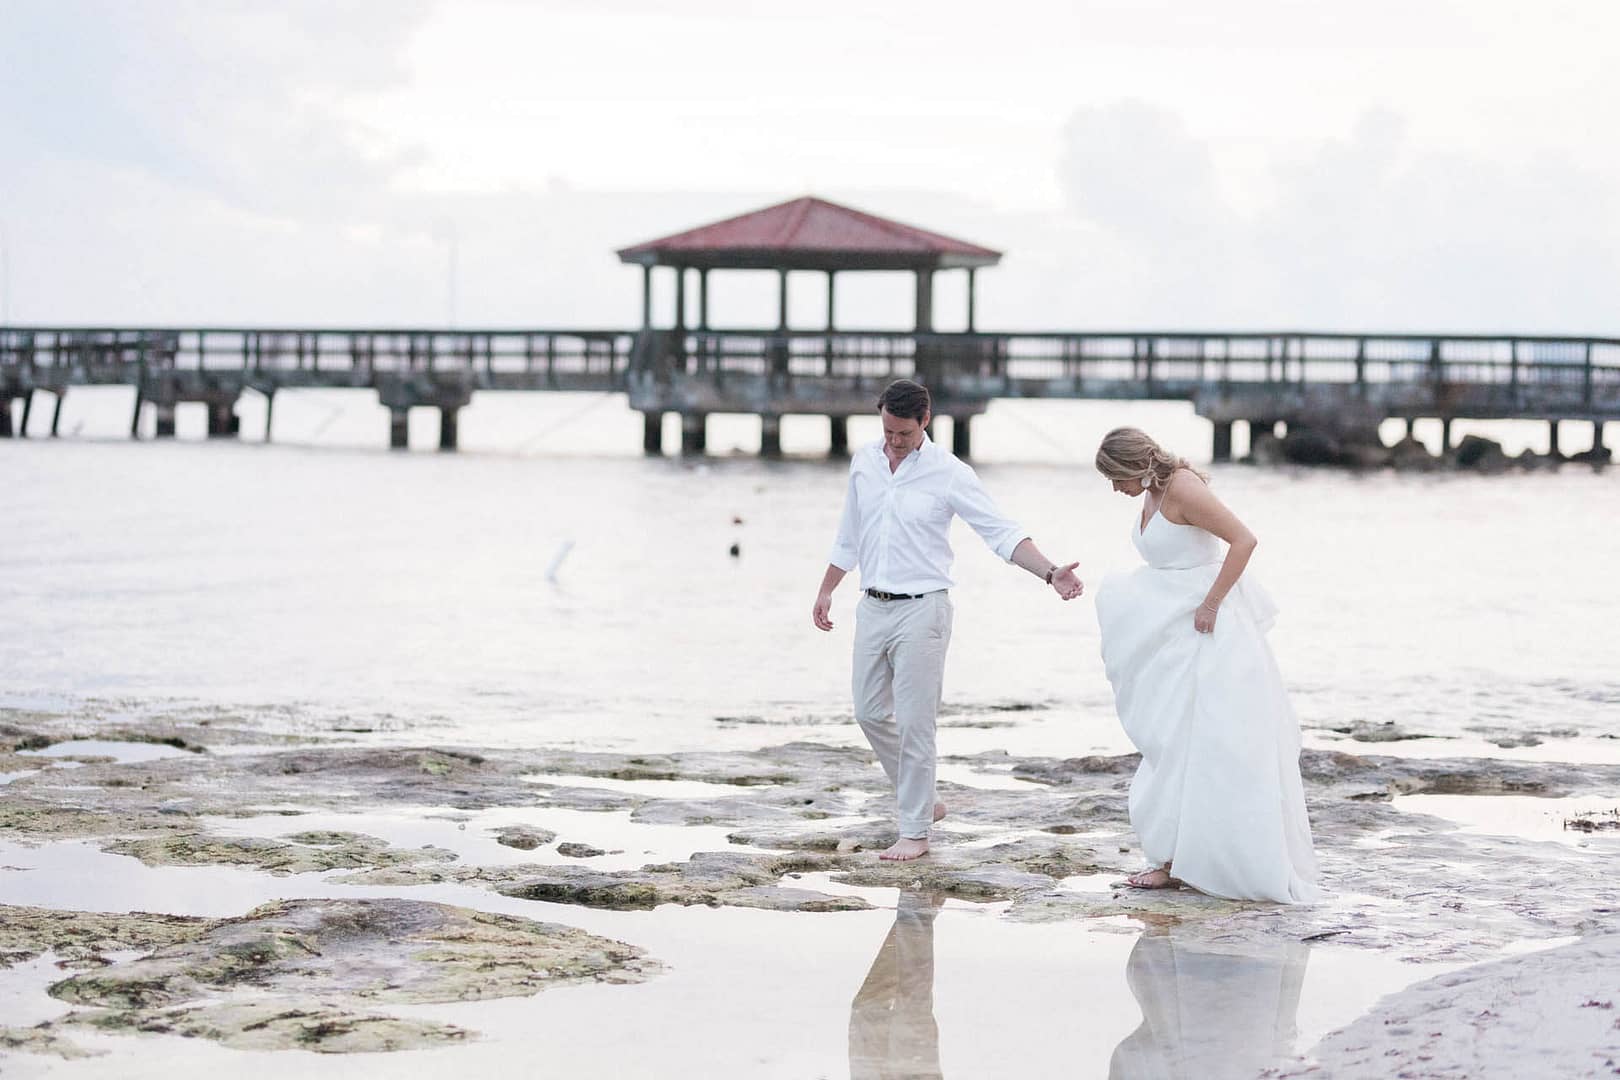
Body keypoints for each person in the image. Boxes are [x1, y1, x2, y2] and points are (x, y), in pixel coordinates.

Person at [813, 379, 1082, 861]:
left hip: (924, 609)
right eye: (888, 431)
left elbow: (1000, 532)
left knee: (917, 722)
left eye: (903, 433)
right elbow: (849, 534)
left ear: (925, 421)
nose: (894, 442)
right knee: (868, 712)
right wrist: (826, 589)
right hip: (872, 605)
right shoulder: (865, 462)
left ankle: (915, 831)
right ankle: (926, 800)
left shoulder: (948, 472)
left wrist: (1049, 572)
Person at [1092, 426, 1321, 903]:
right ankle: (1175, 858)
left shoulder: (1182, 487)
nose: (1115, 489)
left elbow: (1243, 540)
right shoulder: (1154, 491)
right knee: (1173, 745)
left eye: (1116, 478)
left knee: (1208, 745)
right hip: (1172, 634)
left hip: (1209, 633)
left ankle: (1188, 861)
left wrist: (1212, 604)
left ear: (1136, 465)